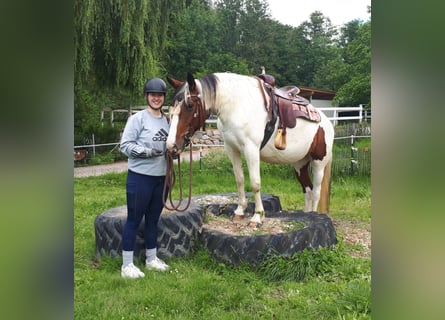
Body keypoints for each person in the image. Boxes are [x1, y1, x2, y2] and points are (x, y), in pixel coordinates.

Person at [119, 78, 170, 278]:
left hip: (162, 178)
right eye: (152, 95)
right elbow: (125, 146)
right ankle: (127, 265)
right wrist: (148, 152)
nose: (156, 98)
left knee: (153, 220)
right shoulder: (137, 119)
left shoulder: (168, 120)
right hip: (140, 177)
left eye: (159, 95)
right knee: (133, 219)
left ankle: (151, 259)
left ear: (164, 98)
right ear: (147, 96)